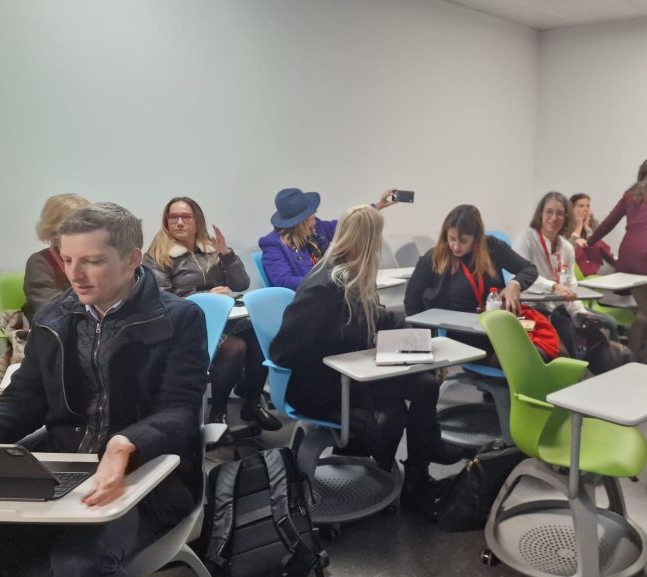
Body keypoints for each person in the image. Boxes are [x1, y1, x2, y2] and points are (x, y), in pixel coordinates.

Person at [0, 203, 208, 577]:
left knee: (77, 566)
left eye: (92, 261)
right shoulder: (53, 317)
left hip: (150, 474)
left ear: (132, 259)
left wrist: (126, 443)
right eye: (67, 260)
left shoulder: (179, 318)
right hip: (60, 467)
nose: (74, 275)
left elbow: (180, 411)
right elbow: (21, 403)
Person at [269, 205, 460, 510]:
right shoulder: (324, 285)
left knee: (425, 385)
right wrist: (346, 354)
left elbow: (378, 317)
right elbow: (283, 350)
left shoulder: (351, 274)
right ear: (368, 241)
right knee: (398, 403)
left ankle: (416, 474)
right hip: (319, 386)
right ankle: (393, 467)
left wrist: (420, 342)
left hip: (353, 375)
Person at [143, 197, 280, 432]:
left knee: (262, 337)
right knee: (235, 347)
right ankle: (218, 412)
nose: (179, 222)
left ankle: (252, 403)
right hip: (186, 325)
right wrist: (206, 296)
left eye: (186, 217)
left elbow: (241, 284)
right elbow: (162, 299)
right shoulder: (157, 255)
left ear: (197, 220)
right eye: (173, 217)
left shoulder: (209, 249)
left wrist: (226, 254)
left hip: (223, 319)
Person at [580, 158, 647, 365]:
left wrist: (589, 241)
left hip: (629, 252)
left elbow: (609, 222)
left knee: (644, 310)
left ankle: (630, 358)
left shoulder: (630, 194)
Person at [404, 205, 540, 353]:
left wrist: (515, 284)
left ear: (476, 239)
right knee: (522, 355)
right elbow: (411, 301)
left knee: (543, 351)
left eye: (463, 241)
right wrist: (425, 341)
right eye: (451, 239)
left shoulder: (492, 247)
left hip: (496, 327)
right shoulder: (434, 258)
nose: (456, 247)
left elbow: (529, 269)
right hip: (461, 334)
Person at [258, 187, 400, 290]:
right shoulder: (272, 244)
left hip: (333, 292)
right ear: (300, 222)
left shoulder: (317, 227)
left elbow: (348, 224)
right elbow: (284, 282)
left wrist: (378, 206)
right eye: (310, 215)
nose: (314, 216)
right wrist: (330, 280)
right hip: (307, 302)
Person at [513, 191, 589, 357]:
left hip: (556, 310)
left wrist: (580, 313)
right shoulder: (525, 239)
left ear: (566, 217)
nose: (554, 218)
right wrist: (553, 287)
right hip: (528, 311)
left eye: (560, 213)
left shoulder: (566, 248)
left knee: (596, 326)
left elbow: (570, 286)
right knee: (566, 329)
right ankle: (574, 370)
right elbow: (518, 278)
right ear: (540, 214)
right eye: (549, 212)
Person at [24, 193, 91, 321]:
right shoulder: (40, 262)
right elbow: (51, 312)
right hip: (56, 327)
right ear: (54, 231)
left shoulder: (96, 258)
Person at [568, 193, 616, 276]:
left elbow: (596, 247)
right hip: (573, 264)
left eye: (587, 206)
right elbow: (568, 250)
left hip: (592, 262)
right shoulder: (565, 225)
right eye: (581, 206)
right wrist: (579, 227)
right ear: (571, 209)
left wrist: (588, 229)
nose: (585, 209)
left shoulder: (593, 222)